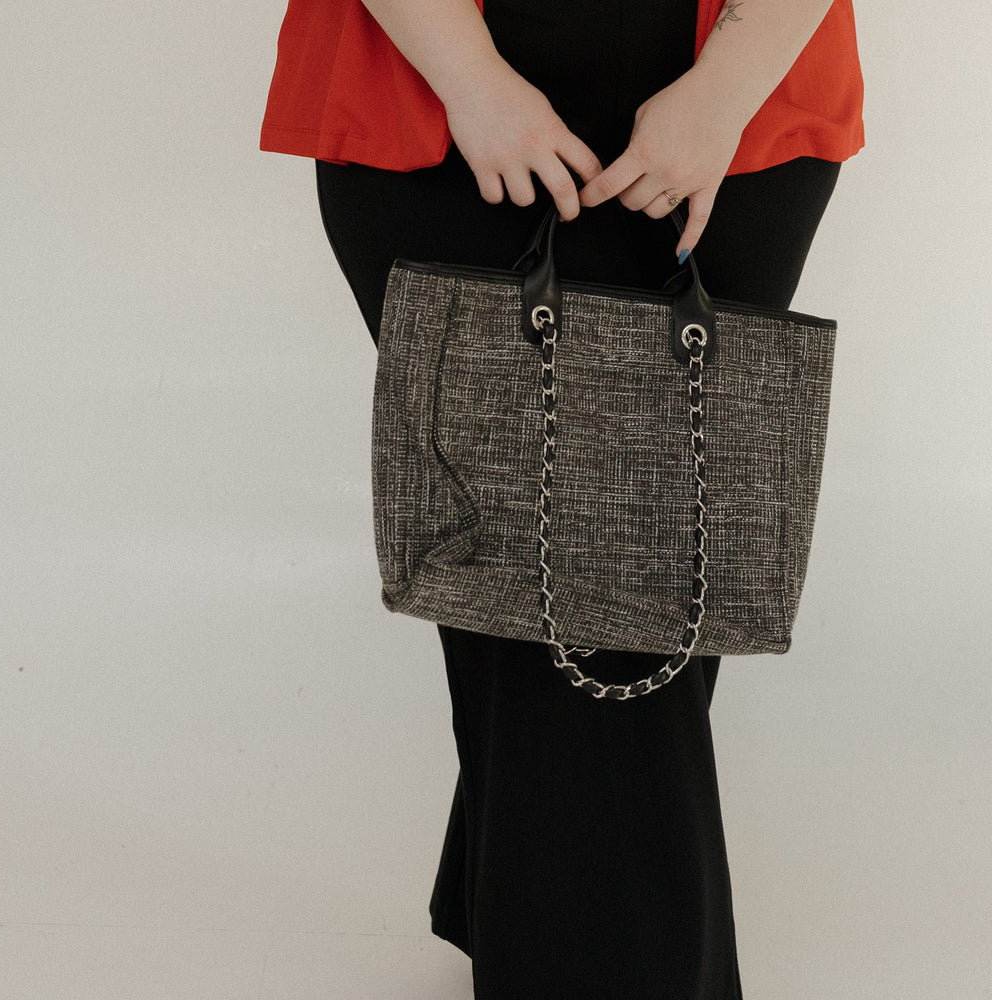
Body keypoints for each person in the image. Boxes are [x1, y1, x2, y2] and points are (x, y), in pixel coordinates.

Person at [260, 2, 864, 997]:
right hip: (434, 88)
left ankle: (524, 905)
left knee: (644, 571)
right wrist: (470, 80)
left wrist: (721, 95)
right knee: (560, 585)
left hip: (735, 88)